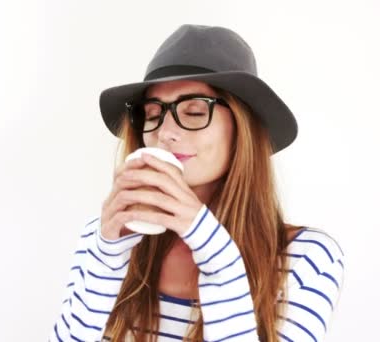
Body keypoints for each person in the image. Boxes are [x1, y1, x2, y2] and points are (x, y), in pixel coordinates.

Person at [49, 24, 345, 341]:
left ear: (243, 130)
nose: (165, 133)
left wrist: (212, 246)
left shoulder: (307, 259)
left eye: (193, 111)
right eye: (152, 114)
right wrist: (107, 256)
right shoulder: (105, 238)